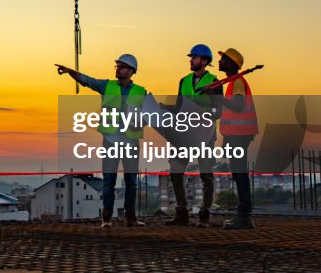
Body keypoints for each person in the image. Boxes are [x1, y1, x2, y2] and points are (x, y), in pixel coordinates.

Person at [56, 54, 148, 227]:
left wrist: (140, 123)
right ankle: (106, 218)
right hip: (111, 140)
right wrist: (70, 72)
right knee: (109, 181)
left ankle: (131, 218)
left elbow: (149, 115)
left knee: (131, 182)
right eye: (117, 66)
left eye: (121, 66)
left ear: (131, 71)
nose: (117, 69)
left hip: (131, 142)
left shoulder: (140, 92)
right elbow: (86, 80)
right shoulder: (107, 86)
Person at [162, 44, 222, 227]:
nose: (191, 60)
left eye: (194, 57)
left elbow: (217, 112)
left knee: (206, 174)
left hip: (204, 134)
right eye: (191, 57)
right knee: (175, 171)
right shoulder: (184, 81)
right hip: (184, 133)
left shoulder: (215, 82)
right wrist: (165, 109)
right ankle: (182, 214)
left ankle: (204, 215)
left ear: (204, 61)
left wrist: (212, 97)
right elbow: (180, 107)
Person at [215, 48, 259, 230]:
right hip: (237, 135)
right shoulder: (233, 82)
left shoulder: (238, 82)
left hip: (240, 135)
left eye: (223, 59)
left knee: (240, 174)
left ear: (232, 64)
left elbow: (238, 106)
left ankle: (244, 216)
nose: (220, 61)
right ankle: (244, 215)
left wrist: (217, 100)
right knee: (238, 173)